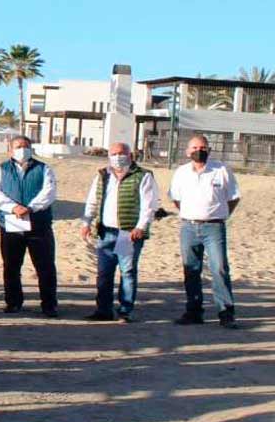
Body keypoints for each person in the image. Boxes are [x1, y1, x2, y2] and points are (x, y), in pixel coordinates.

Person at [168, 134, 242, 329]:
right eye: (194, 148)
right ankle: (193, 311)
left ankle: (226, 312)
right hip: (189, 227)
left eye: (202, 147)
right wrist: (189, 213)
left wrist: (221, 213)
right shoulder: (182, 172)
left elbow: (233, 197)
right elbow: (175, 198)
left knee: (219, 268)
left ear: (209, 149)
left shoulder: (221, 170)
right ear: (187, 151)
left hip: (214, 227)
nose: (198, 151)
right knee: (191, 269)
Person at [80, 142, 158, 323]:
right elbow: (92, 201)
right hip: (105, 231)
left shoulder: (143, 176)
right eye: (114, 153)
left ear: (130, 155)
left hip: (128, 233)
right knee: (104, 273)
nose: (118, 156)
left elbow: (149, 205)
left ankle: (125, 311)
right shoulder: (102, 175)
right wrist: (86, 223)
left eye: (122, 153)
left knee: (127, 271)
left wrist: (140, 226)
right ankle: (103, 310)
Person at [0, 135, 59, 317]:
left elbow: (49, 192)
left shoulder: (44, 169)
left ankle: (49, 305)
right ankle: (13, 302)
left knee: (45, 267)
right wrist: (13, 207)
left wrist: (30, 208)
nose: (22, 149)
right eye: (18, 146)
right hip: (10, 225)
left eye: (26, 146)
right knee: (11, 266)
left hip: (39, 225)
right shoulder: (1, 169)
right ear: (10, 150)